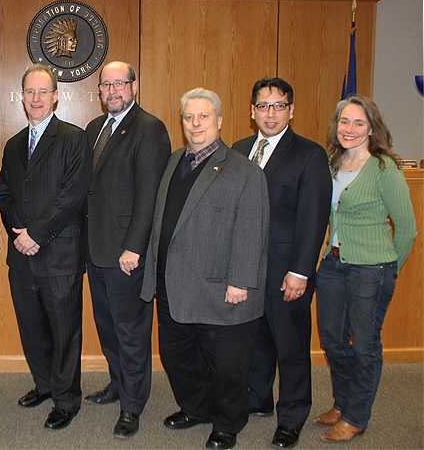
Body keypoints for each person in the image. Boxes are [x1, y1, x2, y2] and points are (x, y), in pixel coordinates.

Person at [141, 88, 269, 450]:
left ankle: (228, 423)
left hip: (220, 287)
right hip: (172, 284)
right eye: (188, 117)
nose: (195, 124)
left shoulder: (244, 172)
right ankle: (195, 408)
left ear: (220, 121)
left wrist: (241, 281)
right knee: (177, 356)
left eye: (204, 117)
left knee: (227, 365)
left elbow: (252, 228)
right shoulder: (174, 160)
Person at [232, 78, 332, 448]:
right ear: (251, 111)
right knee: (255, 341)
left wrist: (300, 271)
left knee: (290, 347)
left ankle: (292, 416)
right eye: (263, 106)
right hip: (247, 270)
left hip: (286, 270)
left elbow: (313, 218)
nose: (270, 113)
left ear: (291, 110)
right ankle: (258, 399)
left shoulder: (309, 154)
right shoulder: (239, 150)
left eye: (278, 106)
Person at [314, 95, 416, 442]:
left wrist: (389, 269)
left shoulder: (384, 169)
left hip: (370, 270)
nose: (350, 129)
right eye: (344, 121)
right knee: (332, 339)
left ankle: (357, 416)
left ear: (371, 128)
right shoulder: (332, 163)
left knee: (365, 345)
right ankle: (343, 403)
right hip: (333, 265)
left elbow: (407, 229)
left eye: (358, 123)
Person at [0, 64, 90, 430]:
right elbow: (3, 195)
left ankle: (66, 399)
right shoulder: (14, 144)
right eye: (29, 92)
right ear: (22, 98)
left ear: (55, 96)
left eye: (42, 92)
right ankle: (45, 385)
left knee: (65, 331)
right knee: (32, 328)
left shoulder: (73, 138)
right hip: (22, 256)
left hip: (60, 255)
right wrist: (17, 231)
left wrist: (36, 234)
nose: (35, 99)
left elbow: (72, 197)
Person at [84, 60, 171, 438]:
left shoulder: (149, 128)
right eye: (106, 85)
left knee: (132, 333)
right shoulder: (94, 129)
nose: (113, 91)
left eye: (120, 83)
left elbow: (150, 196)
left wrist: (134, 247)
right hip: (96, 252)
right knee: (108, 330)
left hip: (126, 256)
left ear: (134, 86)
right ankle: (118, 384)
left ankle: (133, 406)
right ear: (99, 91)